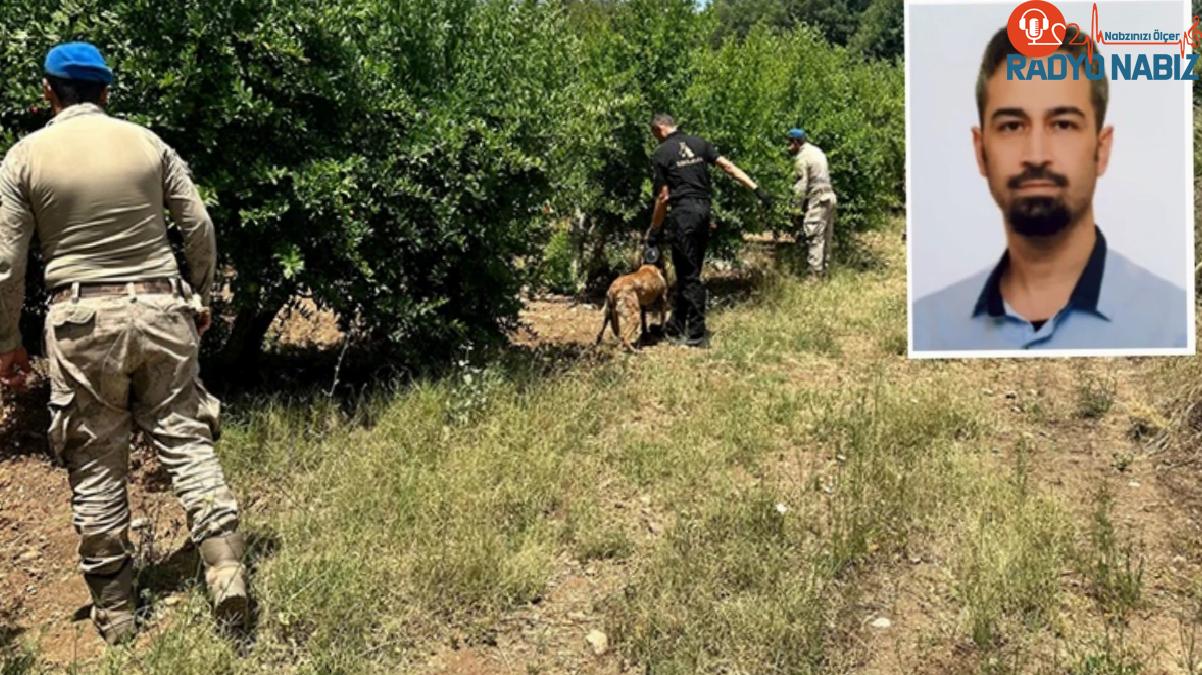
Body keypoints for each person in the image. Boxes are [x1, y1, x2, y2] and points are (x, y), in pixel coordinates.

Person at [0, 42, 249, 644]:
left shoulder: (23, 157)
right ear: (107, 92)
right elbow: (199, 226)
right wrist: (200, 296)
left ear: (47, 92)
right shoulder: (147, 143)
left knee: (94, 459)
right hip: (163, 307)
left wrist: (8, 340)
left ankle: (115, 613)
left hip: (82, 319)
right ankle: (226, 570)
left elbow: (7, 263)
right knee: (186, 438)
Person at [911, 27, 1187, 351]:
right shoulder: (928, 328)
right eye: (1012, 126)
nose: (1037, 156)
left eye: (1063, 124)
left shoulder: (1173, 325)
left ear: (1103, 149)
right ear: (980, 150)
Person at [645, 114, 772, 347]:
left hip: (684, 213)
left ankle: (696, 334)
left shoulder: (662, 153)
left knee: (688, 275)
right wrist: (756, 189)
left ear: (660, 128)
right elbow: (727, 166)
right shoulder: (699, 143)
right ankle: (675, 325)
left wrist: (654, 231)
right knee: (690, 269)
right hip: (704, 212)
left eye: (655, 135)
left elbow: (663, 197)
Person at [786, 128, 837, 276]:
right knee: (826, 237)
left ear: (796, 142)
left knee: (814, 236)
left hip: (818, 198)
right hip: (830, 196)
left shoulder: (802, 157)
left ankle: (814, 276)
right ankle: (824, 272)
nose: (788, 147)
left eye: (789, 143)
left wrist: (795, 209)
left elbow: (801, 186)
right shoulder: (818, 151)